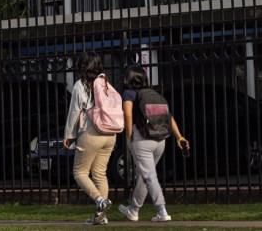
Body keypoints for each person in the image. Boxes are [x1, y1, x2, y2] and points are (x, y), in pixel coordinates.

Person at [117, 64, 189, 223]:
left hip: (141, 139)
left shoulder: (128, 94)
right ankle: (133, 210)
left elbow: (127, 114)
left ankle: (162, 210)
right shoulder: (153, 93)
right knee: (144, 175)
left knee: (148, 176)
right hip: (160, 139)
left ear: (128, 78)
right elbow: (169, 117)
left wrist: (129, 136)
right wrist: (179, 137)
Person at [63, 52, 118, 225]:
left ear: (83, 67)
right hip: (110, 134)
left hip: (91, 132)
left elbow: (74, 111)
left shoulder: (82, 85)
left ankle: (99, 201)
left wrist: (69, 135)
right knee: (100, 174)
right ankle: (101, 216)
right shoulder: (106, 83)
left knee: (79, 173)